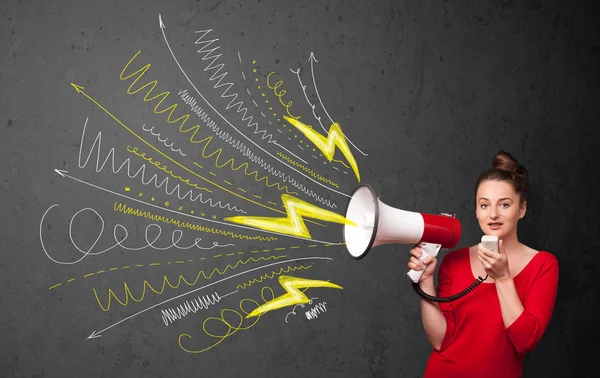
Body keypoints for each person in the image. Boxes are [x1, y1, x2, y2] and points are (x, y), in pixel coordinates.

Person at [407, 151, 559, 378]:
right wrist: (426, 282)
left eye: (505, 205)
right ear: (477, 211)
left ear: (522, 209)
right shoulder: (454, 262)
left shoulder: (543, 265)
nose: (493, 214)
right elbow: (441, 341)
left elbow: (525, 341)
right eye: (484, 205)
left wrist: (503, 278)